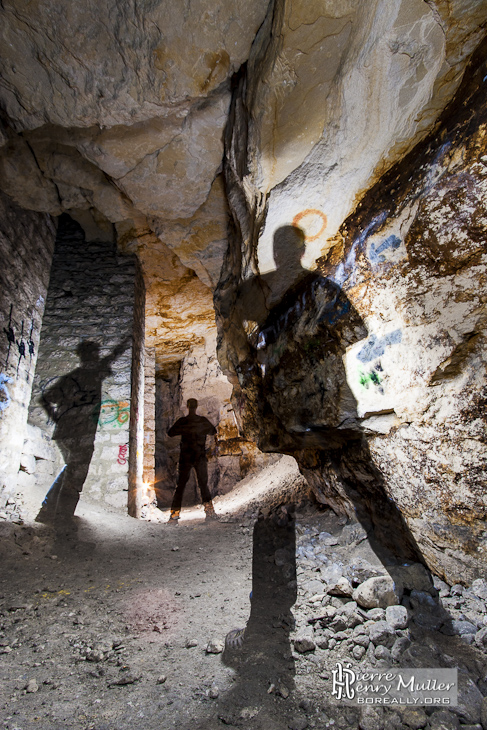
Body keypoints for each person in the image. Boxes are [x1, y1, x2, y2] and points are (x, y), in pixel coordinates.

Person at [167, 398, 218, 523]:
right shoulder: (202, 421)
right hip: (199, 455)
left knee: (181, 485)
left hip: (186, 456)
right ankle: (209, 512)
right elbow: (213, 431)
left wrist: (184, 430)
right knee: (203, 484)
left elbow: (170, 433)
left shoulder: (183, 421)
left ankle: (174, 514)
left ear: (188, 406)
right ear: (196, 406)